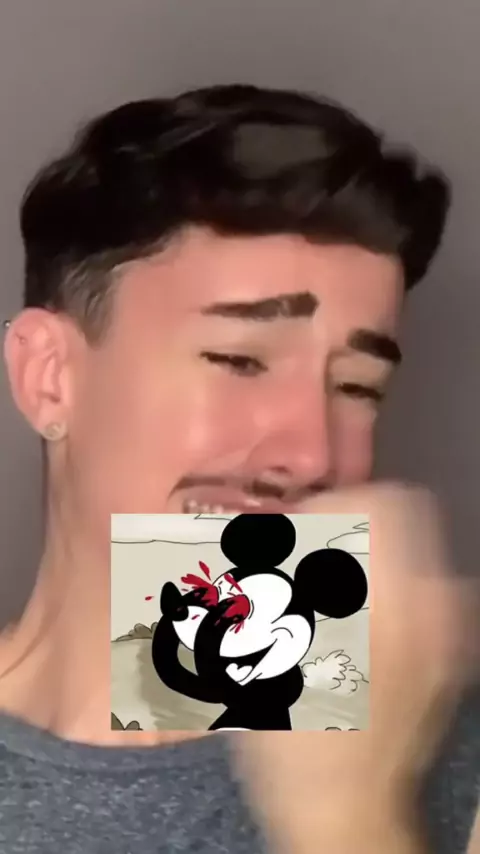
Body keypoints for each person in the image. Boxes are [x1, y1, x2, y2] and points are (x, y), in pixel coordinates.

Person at [0, 83, 477, 853]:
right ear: (50, 378)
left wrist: (347, 815)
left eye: (357, 387)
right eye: (239, 360)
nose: (312, 456)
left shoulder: (456, 752)